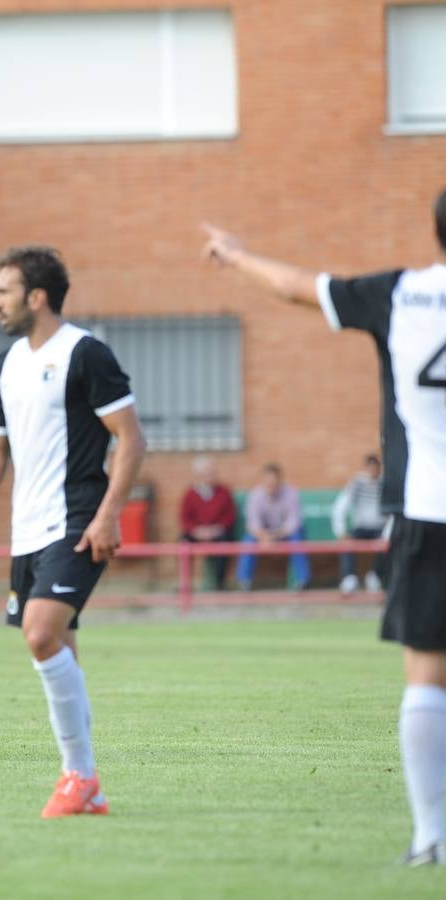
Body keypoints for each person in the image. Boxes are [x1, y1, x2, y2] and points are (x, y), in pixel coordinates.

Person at [202, 191, 446, 866]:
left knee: (427, 678)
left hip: (429, 510)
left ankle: (431, 837)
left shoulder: (399, 294)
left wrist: (235, 253)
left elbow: (290, 287)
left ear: (436, 230)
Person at [0, 246, 146, 818]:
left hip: (77, 519)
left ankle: (79, 778)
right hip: (26, 531)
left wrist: (108, 514)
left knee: (40, 633)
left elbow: (131, 439)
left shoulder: (85, 353)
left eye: (3, 291)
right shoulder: (9, 364)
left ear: (36, 297)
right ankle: (86, 784)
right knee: (59, 649)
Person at [235, 463, 310, 591]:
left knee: (296, 538)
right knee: (249, 540)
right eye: (268, 483)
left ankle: (302, 581)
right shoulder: (256, 495)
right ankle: (244, 581)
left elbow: (294, 522)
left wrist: (275, 536)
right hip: (263, 534)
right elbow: (253, 522)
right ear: (263, 482)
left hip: (285, 533)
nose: (271, 486)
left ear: (280, 481)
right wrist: (264, 537)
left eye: (274, 483)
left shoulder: (291, 493)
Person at [332, 454, 388, 595]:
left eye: (376, 467)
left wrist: (387, 534)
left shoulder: (385, 483)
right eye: (370, 467)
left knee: (388, 543)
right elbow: (341, 506)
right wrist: (341, 531)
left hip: (379, 528)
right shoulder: (357, 483)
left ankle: (375, 576)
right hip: (360, 527)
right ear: (366, 468)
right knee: (346, 543)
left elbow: (391, 513)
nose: (373, 470)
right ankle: (348, 578)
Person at [179, 455, 237, 591]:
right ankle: (185, 584)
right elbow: (184, 518)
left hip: (218, 533)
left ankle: (219, 584)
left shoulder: (224, 492)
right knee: (182, 544)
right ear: (198, 475)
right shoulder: (190, 494)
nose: (212, 475)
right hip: (197, 533)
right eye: (207, 472)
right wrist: (197, 531)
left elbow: (230, 516)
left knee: (225, 543)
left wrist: (216, 530)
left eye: (212, 471)